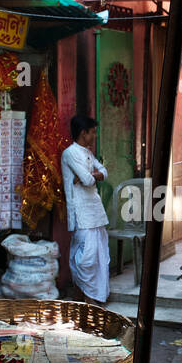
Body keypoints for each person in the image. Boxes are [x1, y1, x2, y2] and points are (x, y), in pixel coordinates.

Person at [61, 114, 110, 304]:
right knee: (85, 260)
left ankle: (89, 302)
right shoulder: (70, 153)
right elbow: (90, 179)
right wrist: (88, 177)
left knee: (98, 258)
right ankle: (86, 302)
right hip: (81, 213)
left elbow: (103, 172)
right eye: (93, 132)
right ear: (83, 133)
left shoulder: (87, 152)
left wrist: (85, 177)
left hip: (96, 212)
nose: (95, 136)